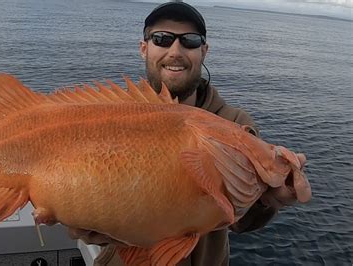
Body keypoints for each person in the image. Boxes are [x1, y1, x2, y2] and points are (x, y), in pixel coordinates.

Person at [64, 2, 309, 265]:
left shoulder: (235, 124)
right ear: (144, 48)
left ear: (204, 51)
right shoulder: (112, 115)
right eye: (162, 39)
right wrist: (84, 220)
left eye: (190, 41)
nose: (175, 51)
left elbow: (241, 221)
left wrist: (267, 201)